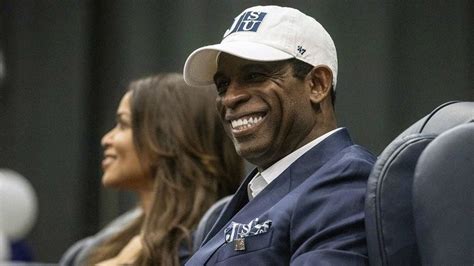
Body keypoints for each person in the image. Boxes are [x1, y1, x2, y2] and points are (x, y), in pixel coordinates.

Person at [183, 5, 376, 265]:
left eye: (254, 76)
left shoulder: (347, 182)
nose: (230, 97)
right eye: (222, 85)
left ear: (317, 84)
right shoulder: (260, 189)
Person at [60, 73, 243, 265]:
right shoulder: (104, 243)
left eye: (123, 125)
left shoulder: (216, 245)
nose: (106, 139)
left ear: (168, 139)